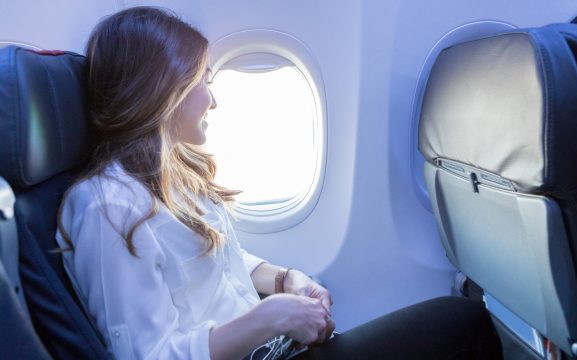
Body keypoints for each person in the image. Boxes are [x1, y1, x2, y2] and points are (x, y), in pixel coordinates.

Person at [56, 6, 502, 360]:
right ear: (162, 93)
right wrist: (271, 318)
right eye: (201, 81)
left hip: (272, 350)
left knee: (462, 320)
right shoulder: (107, 208)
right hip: (264, 350)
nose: (213, 100)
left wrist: (287, 281)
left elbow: (223, 263)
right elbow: (147, 356)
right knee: (463, 325)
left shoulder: (175, 174)